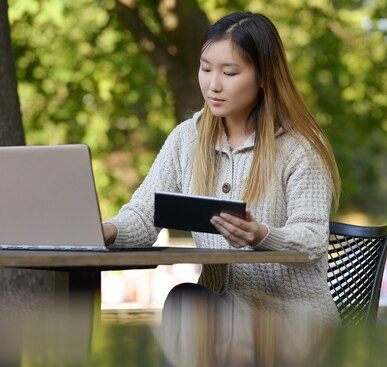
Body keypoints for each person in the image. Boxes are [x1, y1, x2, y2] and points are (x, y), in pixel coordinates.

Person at [102, 11, 342, 324]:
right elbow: (144, 216)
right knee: (183, 300)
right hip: (220, 320)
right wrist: (105, 231)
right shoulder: (187, 139)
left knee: (186, 308)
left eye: (229, 73)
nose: (213, 85)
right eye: (205, 69)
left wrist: (260, 235)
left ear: (263, 78)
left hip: (289, 325)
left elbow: (312, 239)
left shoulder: (299, 149)